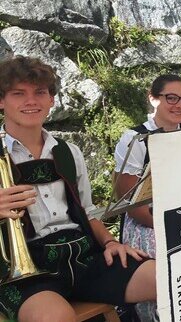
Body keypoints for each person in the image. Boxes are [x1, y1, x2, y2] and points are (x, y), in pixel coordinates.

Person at [0, 56, 156, 322]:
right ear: (1, 101)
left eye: (40, 92)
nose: (31, 101)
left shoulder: (68, 153)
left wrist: (109, 241)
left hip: (83, 258)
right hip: (23, 273)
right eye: (18, 93)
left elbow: (87, 211)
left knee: (169, 278)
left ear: (51, 100)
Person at [113, 74, 181, 321]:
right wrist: (171, 224)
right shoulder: (135, 139)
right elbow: (130, 202)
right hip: (148, 220)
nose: (179, 105)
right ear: (153, 99)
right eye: (171, 98)